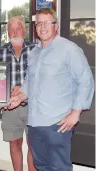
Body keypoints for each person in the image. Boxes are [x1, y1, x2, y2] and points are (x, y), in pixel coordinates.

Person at [9, 8, 94, 171]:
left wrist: (75, 113)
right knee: (41, 166)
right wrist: (19, 97)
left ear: (56, 26)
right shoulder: (34, 53)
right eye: (39, 23)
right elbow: (29, 82)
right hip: (34, 123)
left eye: (47, 22)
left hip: (57, 124)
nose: (42, 27)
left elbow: (86, 81)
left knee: (59, 168)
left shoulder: (69, 49)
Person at [0, 16, 37, 171]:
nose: (15, 32)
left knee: (33, 144)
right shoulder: (0, 52)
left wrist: (22, 88)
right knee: (14, 143)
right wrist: (7, 91)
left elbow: (42, 76)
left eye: (18, 28)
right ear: (7, 31)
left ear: (24, 30)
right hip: (11, 106)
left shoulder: (36, 49)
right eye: (11, 29)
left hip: (34, 105)